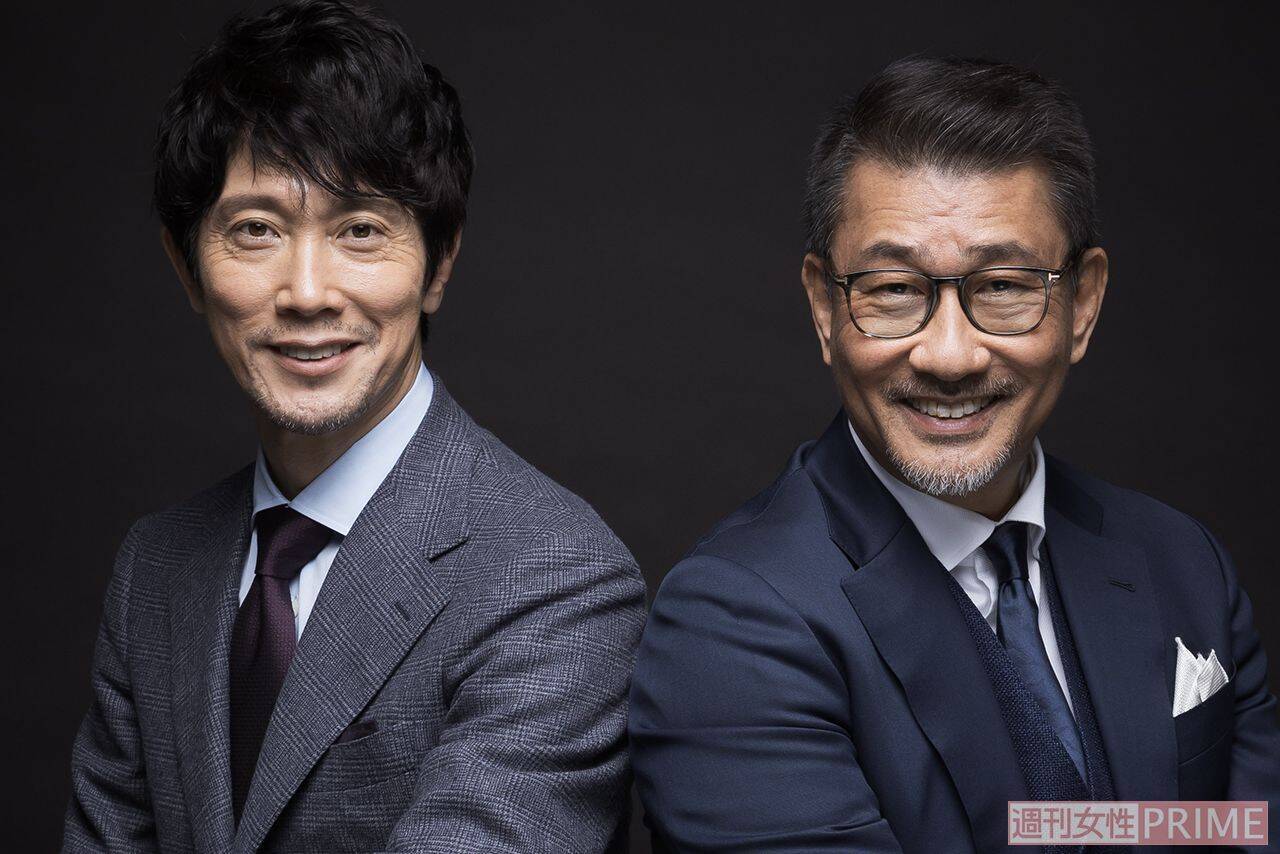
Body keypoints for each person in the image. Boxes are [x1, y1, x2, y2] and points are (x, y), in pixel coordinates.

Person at [629, 56, 1280, 851]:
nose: (949, 356)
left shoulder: (1182, 563)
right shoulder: (730, 628)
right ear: (825, 309)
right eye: (894, 289)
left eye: (1003, 286)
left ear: (1083, 305)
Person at [63, 2, 645, 851]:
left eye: (361, 230)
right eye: (256, 230)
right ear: (187, 269)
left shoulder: (555, 578)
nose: (307, 293)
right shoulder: (155, 570)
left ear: (438, 265)